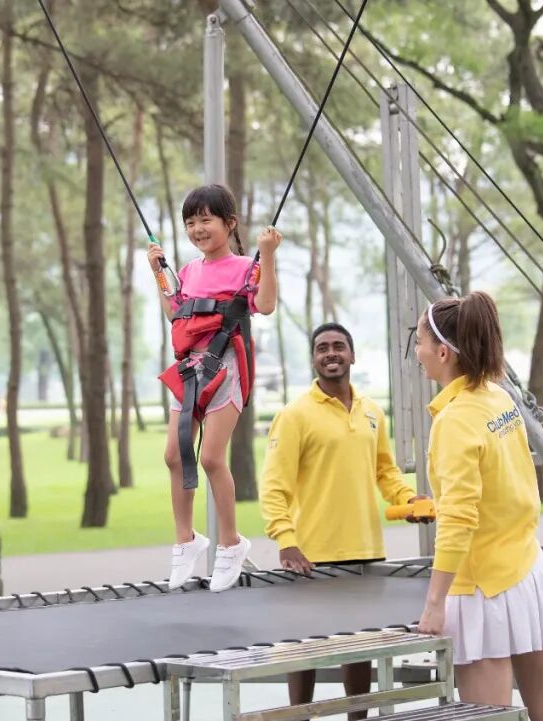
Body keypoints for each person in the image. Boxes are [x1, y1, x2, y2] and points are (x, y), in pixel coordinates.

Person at [413, 291, 543, 720]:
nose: (417, 352)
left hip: (482, 588)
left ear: (443, 353)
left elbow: (459, 519)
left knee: (487, 716)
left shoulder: (454, 419)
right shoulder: (498, 397)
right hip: (527, 571)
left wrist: (435, 602)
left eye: (420, 342)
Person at [260, 322, 422, 717]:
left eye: (338, 346)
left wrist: (408, 499)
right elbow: (274, 485)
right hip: (310, 553)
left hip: (365, 548)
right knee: (305, 648)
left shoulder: (372, 412)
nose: (331, 353)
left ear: (352, 355)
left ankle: (358, 717)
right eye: (322, 348)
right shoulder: (294, 414)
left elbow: (385, 471)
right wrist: (286, 539)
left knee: (359, 647)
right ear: (313, 359)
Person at [147, 184, 280, 593]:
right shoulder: (188, 271)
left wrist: (268, 255)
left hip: (228, 367)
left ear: (229, 223)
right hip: (191, 370)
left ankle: (231, 543)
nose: (198, 229)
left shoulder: (244, 267)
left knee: (210, 457)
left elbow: (266, 305)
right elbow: (176, 313)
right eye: (190, 222)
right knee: (174, 454)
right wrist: (158, 273)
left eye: (206, 220)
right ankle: (186, 540)